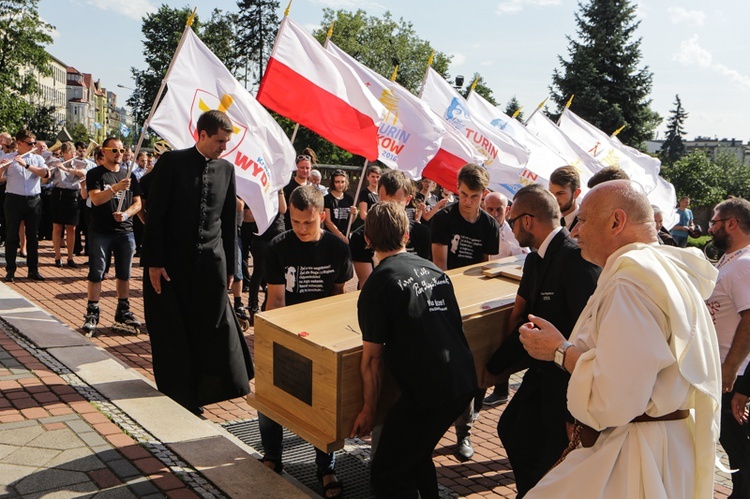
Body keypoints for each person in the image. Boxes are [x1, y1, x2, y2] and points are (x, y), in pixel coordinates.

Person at [519, 180, 721, 498]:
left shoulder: (631, 283)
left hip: (635, 454)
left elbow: (616, 395)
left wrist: (560, 351)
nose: (575, 232)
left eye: (582, 220)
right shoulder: (663, 270)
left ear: (616, 221)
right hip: (663, 445)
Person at [351, 201, 476, 498]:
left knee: (387, 471)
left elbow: (371, 360)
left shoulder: (377, 285)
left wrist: (369, 409)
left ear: (367, 240)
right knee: (416, 452)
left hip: (429, 393)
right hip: (463, 383)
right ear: (407, 234)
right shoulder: (434, 270)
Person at [483, 184, 600, 496]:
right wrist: (494, 369)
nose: (508, 226)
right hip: (541, 374)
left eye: (511, 220)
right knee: (511, 428)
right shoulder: (535, 260)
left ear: (527, 221)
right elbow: (526, 320)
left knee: (550, 453)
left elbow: (592, 331)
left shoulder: (575, 259)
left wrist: (575, 413)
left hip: (567, 382)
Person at [142, 110, 254, 415]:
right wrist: (153, 261)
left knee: (214, 327)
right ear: (201, 135)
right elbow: (156, 216)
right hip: (172, 265)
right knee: (176, 331)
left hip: (211, 264)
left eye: (227, 142)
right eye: (219, 141)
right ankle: (182, 395)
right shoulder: (172, 163)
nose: (223, 147)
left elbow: (230, 223)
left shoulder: (228, 170)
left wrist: (232, 267)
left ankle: (212, 389)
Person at [259, 184, 352, 498]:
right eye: (295, 222)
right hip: (284, 327)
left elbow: (339, 298)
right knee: (271, 395)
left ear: (322, 216)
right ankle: (272, 455)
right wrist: (273, 341)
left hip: (323, 336)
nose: (300, 228)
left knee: (324, 404)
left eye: (308, 223)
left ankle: (326, 467)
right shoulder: (277, 247)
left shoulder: (338, 249)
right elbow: (274, 300)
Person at [430, 163, 500, 460]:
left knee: (474, 371)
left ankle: (465, 431)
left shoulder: (489, 225)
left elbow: (485, 268)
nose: (466, 201)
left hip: (474, 304)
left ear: (483, 195)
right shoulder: (444, 219)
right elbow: (439, 267)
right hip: (445, 301)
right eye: (462, 194)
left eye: (473, 196)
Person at [705, 197, 750, 498]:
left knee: (738, 444)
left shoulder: (744, 264)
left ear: (731, 224)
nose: (709, 229)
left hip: (731, 372)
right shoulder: (733, 259)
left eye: (713, 223)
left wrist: (730, 370)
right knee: (733, 442)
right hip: (723, 369)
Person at [82, 137, 142, 336]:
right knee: (97, 271)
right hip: (101, 231)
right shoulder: (95, 174)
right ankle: (92, 310)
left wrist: (125, 214)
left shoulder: (129, 174)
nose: (119, 154)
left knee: (124, 273)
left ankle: (123, 309)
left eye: (121, 150)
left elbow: (138, 203)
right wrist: (116, 188)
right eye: (114, 150)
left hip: (125, 231)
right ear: (104, 152)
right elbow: (97, 199)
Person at [481, 190, 530, 408]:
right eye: (489, 209)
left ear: (507, 210)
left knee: (501, 341)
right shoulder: (481, 227)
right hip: (482, 293)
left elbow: (522, 262)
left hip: (504, 296)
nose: (493, 214)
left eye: (498, 209)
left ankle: (501, 388)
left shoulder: (514, 237)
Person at [350, 169, 432, 287]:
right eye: (385, 202)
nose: (390, 210)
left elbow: (422, 275)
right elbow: (366, 284)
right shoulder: (361, 236)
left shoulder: (422, 233)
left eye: (396, 203)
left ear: (408, 200)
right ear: (378, 196)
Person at [0, 130, 49, 282]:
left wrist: (26, 165)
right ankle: (10, 270)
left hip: (34, 200)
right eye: (30, 144)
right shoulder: (7, 158)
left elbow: (46, 174)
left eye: (34, 143)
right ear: (19, 143)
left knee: (33, 237)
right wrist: (2, 168)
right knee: (11, 235)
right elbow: (1, 179)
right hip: (14, 199)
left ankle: (33, 270)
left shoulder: (37, 158)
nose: (33, 146)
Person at [48, 142, 86, 267]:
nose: (73, 154)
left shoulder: (79, 163)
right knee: (57, 227)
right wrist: (50, 168)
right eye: (70, 152)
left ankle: (70, 257)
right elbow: (47, 178)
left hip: (73, 195)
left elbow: (82, 174)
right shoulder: (56, 163)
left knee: (72, 228)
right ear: (64, 153)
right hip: (58, 194)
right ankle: (57, 256)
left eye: (74, 152)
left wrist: (66, 168)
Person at [323, 169, 356, 242]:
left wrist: (354, 214)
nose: (340, 185)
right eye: (337, 182)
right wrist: (341, 237)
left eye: (342, 182)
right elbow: (328, 222)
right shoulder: (327, 199)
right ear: (333, 183)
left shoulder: (349, 198)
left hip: (346, 235)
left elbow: (351, 221)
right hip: (331, 237)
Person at [282, 151, 312, 230]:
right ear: (296, 168)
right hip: (290, 227)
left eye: (307, 168)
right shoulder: (287, 186)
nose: (305, 170)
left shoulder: (312, 187)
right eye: (302, 167)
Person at [548, 165, 581, 230]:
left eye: (560, 193)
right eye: (551, 193)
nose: (554, 198)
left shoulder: (586, 223)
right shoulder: (545, 218)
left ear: (576, 193)